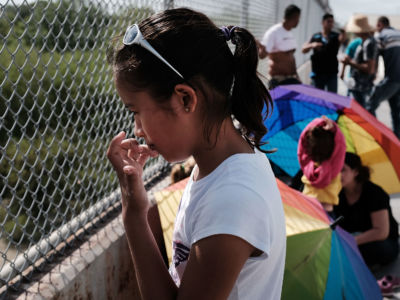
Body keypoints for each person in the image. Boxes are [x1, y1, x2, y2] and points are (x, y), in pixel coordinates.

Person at [106, 8, 286, 300]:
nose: (137, 130)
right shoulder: (218, 167)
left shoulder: (232, 199)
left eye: (136, 112)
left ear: (185, 99)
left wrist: (134, 216)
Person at [334, 152, 399, 267]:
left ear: (356, 172)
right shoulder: (338, 194)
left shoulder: (374, 192)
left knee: (372, 249)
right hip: (353, 241)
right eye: (335, 169)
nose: (337, 174)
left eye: (343, 170)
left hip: (382, 243)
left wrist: (351, 241)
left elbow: (381, 232)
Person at [297, 116, 346, 215]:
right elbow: (341, 144)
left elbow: (301, 148)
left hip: (307, 207)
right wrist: (334, 128)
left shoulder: (308, 167)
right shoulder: (334, 166)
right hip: (326, 212)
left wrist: (319, 122)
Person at [366, 16, 400, 139]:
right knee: (396, 112)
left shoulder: (381, 36)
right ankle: (397, 141)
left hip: (392, 79)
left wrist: (372, 76)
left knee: (369, 105)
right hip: (397, 81)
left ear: (380, 24)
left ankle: (376, 137)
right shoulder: (398, 33)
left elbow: (373, 60)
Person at [258, 4, 301, 89]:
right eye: (298, 18)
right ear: (294, 16)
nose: (298, 21)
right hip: (278, 81)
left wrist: (297, 76)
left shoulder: (289, 32)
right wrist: (259, 46)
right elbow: (262, 55)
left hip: (292, 78)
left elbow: (291, 57)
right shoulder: (274, 32)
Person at [340, 14, 378, 107]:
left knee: (361, 114)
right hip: (358, 85)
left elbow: (369, 69)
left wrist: (350, 63)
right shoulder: (364, 42)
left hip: (361, 87)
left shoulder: (368, 43)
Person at [302, 13, 341, 93]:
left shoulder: (336, 36)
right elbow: (303, 49)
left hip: (331, 73)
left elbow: (342, 39)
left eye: (332, 22)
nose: (331, 24)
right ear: (323, 22)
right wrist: (312, 45)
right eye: (328, 21)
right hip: (318, 73)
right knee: (317, 98)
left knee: (332, 98)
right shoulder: (316, 36)